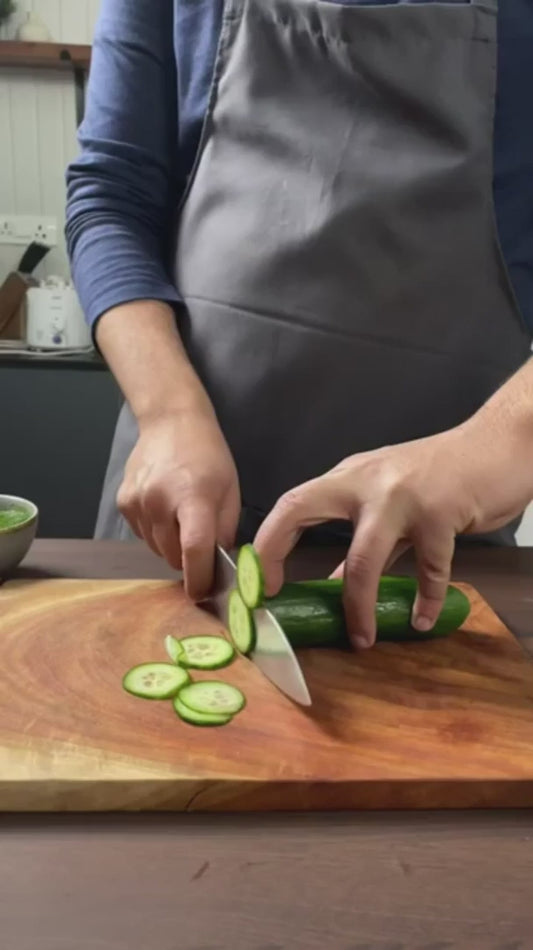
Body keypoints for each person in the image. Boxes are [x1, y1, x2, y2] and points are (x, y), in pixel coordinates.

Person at [66, 0, 533, 651]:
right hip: (183, 529)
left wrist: (499, 442)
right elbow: (111, 196)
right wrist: (169, 413)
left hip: (431, 555)